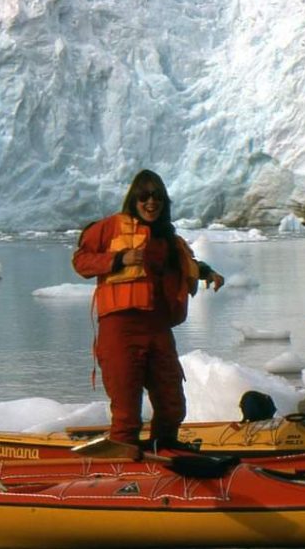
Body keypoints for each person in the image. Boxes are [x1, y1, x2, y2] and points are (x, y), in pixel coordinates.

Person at [72, 169, 224, 455]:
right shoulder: (109, 228)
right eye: (144, 196)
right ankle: (121, 463)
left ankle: (164, 450)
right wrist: (119, 258)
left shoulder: (168, 238)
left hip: (157, 328)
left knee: (171, 401)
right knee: (127, 407)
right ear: (133, 199)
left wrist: (208, 272)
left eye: (157, 197)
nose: (150, 202)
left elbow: (186, 264)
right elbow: (81, 261)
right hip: (121, 327)